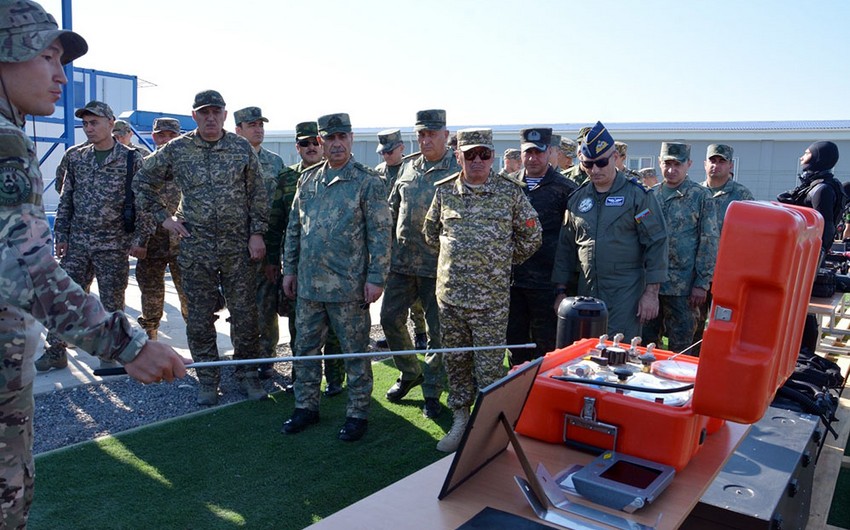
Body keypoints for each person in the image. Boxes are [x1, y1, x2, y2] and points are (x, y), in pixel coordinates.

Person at [0, 2, 186, 526]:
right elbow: (24, 266)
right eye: (47, 56)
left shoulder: (126, 157)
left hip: (109, 245)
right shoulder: (7, 139)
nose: (61, 76)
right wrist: (127, 345)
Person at [134, 89, 269, 405]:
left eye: (216, 112)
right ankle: (208, 380)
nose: (210, 117)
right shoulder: (177, 149)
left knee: (246, 315)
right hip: (196, 248)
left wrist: (257, 234)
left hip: (238, 247)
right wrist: (164, 218)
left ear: (224, 115)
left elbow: (258, 195)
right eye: (204, 112)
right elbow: (142, 183)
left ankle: (247, 374)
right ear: (194, 115)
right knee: (198, 316)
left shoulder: (240, 148)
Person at [424, 128, 541, 452]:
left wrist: (499, 261)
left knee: (489, 369)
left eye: (484, 155)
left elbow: (533, 236)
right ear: (458, 156)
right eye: (470, 154)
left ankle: (488, 429)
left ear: (492, 156)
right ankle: (461, 421)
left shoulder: (510, 192)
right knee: (457, 365)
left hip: (490, 302)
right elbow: (431, 234)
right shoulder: (445, 192)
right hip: (451, 299)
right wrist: (458, 262)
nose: (477, 161)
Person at [281, 113, 392, 442]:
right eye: (329, 138)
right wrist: (289, 269)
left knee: (354, 352)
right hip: (310, 285)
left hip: (349, 287)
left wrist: (376, 278)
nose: (336, 143)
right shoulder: (308, 180)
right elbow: (294, 229)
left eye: (342, 136)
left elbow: (381, 235)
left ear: (352, 138)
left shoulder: (368, 181)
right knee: (305, 349)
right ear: (321, 141)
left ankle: (357, 412)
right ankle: (306, 406)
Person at [36, 100, 144, 371]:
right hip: (79, 243)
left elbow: (144, 203)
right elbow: (66, 199)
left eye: (94, 122)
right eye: (85, 123)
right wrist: (60, 234)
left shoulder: (132, 158)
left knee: (111, 302)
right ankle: (57, 350)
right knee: (65, 297)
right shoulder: (75, 156)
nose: (88, 128)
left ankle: (109, 355)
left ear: (110, 123)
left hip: (113, 244)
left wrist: (140, 239)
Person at [552, 122, 668, 342]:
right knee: (585, 354)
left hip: (625, 292)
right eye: (588, 164)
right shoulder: (578, 199)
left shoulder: (638, 196)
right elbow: (565, 248)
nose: (594, 170)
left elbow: (656, 242)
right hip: (586, 291)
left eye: (601, 162)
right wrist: (560, 290)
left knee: (620, 351)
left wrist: (651, 294)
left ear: (615, 157)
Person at [381, 109, 459, 419]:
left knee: (437, 332)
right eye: (421, 135)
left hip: (437, 266)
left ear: (445, 136)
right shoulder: (408, 168)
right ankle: (410, 371)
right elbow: (392, 209)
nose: (425, 140)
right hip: (402, 263)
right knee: (389, 319)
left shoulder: (457, 167)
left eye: (431, 134)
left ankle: (431, 392)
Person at [279, 120, 345, 395]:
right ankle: (302, 376)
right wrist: (279, 264)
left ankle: (334, 379)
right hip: (302, 269)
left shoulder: (342, 175)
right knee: (301, 328)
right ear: (297, 147)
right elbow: (280, 225)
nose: (311, 147)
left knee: (335, 331)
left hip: (338, 270)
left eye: (315, 142)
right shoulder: (288, 178)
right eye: (304, 143)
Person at [234, 106, 295, 380]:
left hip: (266, 247)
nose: (258, 129)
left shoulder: (275, 162)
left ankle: (267, 357)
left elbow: (281, 210)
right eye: (251, 125)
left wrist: (275, 254)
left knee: (267, 304)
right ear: (238, 130)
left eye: (260, 124)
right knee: (239, 305)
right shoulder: (228, 161)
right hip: (233, 248)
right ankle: (242, 356)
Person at [507, 128, 576, 365]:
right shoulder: (508, 185)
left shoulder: (565, 189)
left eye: (539, 152)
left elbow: (570, 241)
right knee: (514, 344)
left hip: (547, 284)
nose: (533, 158)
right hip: (513, 282)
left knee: (546, 348)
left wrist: (562, 287)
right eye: (528, 152)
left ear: (550, 152)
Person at [642, 142, 718, 353]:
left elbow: (709, 240)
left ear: (689, 165)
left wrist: (702, 283)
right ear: (659, 163)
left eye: (678, 164)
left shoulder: (700, 196)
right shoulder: (650, 196)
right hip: (650, 287)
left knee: (681, 349)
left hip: (684, 289)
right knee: (646, 345)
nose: (671, 170)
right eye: (667, 163)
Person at [778, 141, 843, 353]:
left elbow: (823, 230)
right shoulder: (816, 184)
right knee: (798, 311)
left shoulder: (822, 189)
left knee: (802, 310)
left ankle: (803, 355)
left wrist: (812, 261)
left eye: (806, 154)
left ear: (817, 157)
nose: (801, 158)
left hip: (807, 259)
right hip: (804, 257)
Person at [131, 117, 188, 341]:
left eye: (172, 136)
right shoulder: (143, 165)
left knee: (190, 295)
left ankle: (198, 341)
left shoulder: (190, 167)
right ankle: (151, 335)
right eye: (161, 135)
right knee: (151, 292)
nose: (166, 140)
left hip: (183, 243)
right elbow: (138, 206)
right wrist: (140, 240)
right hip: (151, 242)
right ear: (154, 137)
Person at [373, 128, 428, 354]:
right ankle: (395, 337)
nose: (386, 156)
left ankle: (421, 333)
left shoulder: (411, 170)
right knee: (391, 295)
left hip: (407, 243)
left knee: (414, 298)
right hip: (385, 242)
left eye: (390, 151)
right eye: (383, 152)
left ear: (402, 148)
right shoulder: (378, 173)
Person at [694, 144, 754, 351]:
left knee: (725, 325)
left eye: (721, 162)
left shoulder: (742, 196)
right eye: (712, 161)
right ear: (704, 164)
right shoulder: (695, 193)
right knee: (694, 326)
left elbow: (750, 237)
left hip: (728, 273)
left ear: (730, 165)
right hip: (697, 273)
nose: (716, 166)